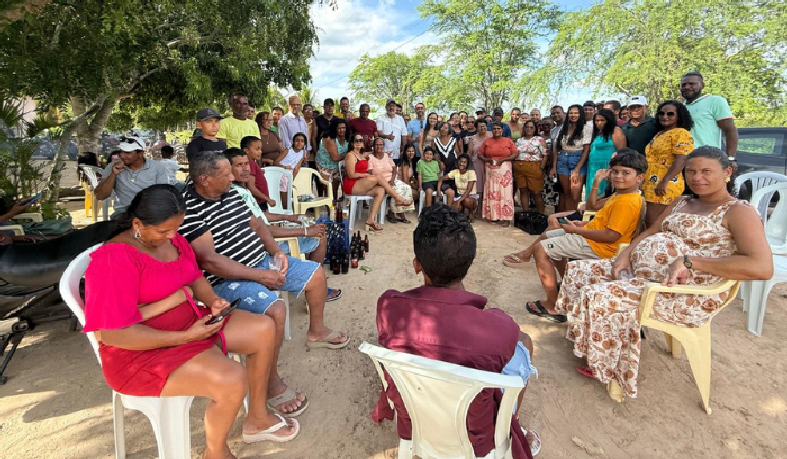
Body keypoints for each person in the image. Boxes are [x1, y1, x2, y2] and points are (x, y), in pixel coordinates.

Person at [83, 185, 298, 457]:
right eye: (163, 231)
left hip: (190, 325)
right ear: (137, 224)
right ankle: (215, 452)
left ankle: (257, 418)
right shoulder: (113, 259)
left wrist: (211, 301)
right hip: (141, 354)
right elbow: (114, 335)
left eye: (176, 228)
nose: (173, 236)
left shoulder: (173, 240)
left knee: (263, 328)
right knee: (232, 378)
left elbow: (194, 276)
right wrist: (185, 337)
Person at [556, 147, 773, 400]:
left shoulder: (738, 211)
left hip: (684, 292)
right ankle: (593, 344)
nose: (696, 177)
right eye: (690, 171)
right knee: (578, 270)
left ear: (727, 172)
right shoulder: (683, 201)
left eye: (706, 171)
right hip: (646, 275)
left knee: (599, 294)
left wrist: (691, 261)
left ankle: (610, 368)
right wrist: (625, 254)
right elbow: (653, 230)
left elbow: (761, 267)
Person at [180, 152, 348, 416]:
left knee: (315, 274)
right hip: (226, 280)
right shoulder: (190, 208)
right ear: (204, 179)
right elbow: (210, 262)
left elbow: (258, 225)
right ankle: (271, 383)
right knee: (276, 309)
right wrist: (260, 276)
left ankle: (316, 331)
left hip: (260, 259)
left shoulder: (231, 193)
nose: (233, 177)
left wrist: (276, 253)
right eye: (226, 174)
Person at [372, 205, 541, 459]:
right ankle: (510, 418)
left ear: (418, 265)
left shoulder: (388, 305)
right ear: (470, 263)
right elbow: (507, 344)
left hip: (415, 416)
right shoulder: (498, 327)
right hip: (477, 432)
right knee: (524, 342)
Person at [515, 150, 647, 322]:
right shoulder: (620, 194)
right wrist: (584, 225)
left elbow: (611, 235)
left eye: (625, 173)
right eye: (615, 172)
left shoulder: (627, 201)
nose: (618, 176)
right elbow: (601, 217)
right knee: (549, 236)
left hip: (601, 246)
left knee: (541, 249)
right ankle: (567, 285)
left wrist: (577, 231)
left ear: (640, 177)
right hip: (593, 238)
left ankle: (552, 305)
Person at [225, 148, 333, 270]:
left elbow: (260, 215)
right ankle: (315, 279)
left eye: (246, 164)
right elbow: (264, 231)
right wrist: (305, 231)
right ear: (227, 169)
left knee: (311, 234)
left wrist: (288, 217)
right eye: (239, 165)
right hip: (264, 247)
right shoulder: (236, 195)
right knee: (319, 236)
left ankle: (308, 273)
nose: (245, 169)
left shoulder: (241, 190)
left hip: (267, 239)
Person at [342, 136, 413, 232]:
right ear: (352, 143)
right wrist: (366, 175)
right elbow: (351, 174)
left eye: (361, 140)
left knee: (381, 190)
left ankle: (370, 219)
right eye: (356, 141)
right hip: (352, 185)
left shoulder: (363, 154)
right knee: (378, 177)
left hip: (362, 184)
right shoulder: (350, 155)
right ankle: (398, 198)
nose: (359, 142)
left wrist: (385, 153)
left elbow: (374, 153)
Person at [642, 100, 695, 227]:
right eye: (661, 113)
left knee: (655, 223)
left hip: (665, 183)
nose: (665, 117)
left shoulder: (681, 133)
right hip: (652, 181)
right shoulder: (660, 133)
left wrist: (665, 181)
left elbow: (681, 159)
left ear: (679, 116)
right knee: (649, 221)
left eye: (670, 114)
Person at [96, 136, 170, 217]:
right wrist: (113, 174)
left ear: (140, 154)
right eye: (121, 152)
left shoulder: (157, 167)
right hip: (123, 212)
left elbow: (163, 195)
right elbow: (100, 196)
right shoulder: (112, 166)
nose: (122, 156)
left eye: (127, 153)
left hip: (149, 211)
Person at [681, 72, 738, 165]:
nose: (687, 87)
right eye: (683, 85)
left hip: (707, 159)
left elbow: (730, 130)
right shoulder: (680, 107)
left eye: (692, 84)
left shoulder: (715, 101)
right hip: (683, 161)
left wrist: (731, 158)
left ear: (702, 85)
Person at [551, 104, 591, 212]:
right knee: (566, 192)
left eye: (576, 113)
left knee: (575, 194)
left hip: (578, 159)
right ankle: (567, 218)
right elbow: (557, 149)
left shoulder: (586, 128)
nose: (573, 115)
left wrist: (577, 169)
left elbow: (586, 150)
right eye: (571, 113)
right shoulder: (563, 129)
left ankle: (575, 218)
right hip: (562, 159)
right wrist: (554, 167)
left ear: (580, 114)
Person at [478, 122, 518, 227]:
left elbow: (515, 153)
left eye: (498, 128)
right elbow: (480, 154)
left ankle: (506, 218)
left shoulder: (508, 141)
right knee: (492, 192)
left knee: (505, 193)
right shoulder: (487, 141)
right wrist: (487, 159)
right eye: (494, 129)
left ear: (502, 130)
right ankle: (493, 216)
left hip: (504, 170)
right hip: (490, 171)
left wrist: (504, 159)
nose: (496, 130)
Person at [368, 137, 415, 223]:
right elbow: (370, 172)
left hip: (391, 180)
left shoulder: (386, 156)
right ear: (374, 146)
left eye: (381, 144)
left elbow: (394, 169)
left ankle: (398, 211)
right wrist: (381, 182)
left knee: (406, 187)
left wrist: (392, 180)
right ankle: (393, 212)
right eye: (377, 144)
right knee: (397, 189)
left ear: (384, 146)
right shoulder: (371, 157)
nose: (379, 146)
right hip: (379, 182)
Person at [586, 109, 627, 199]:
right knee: (593, 194)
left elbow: (621, 152)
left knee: (604, 195)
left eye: (602, 120)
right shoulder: (597, 133)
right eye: (597, 120)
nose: (599, 123)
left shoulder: (615, 131)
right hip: (593, 168)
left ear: (608, 120)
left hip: (607, 167)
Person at [513, 120, 548, 214]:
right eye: (527, 127)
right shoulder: (520, 140)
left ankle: (541, 214)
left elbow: (545, 155)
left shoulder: (539, 140)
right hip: (519, 167)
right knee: (523, 190)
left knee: (536, 192)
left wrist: (541, 168)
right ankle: (526, 213)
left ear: (535, 129)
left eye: (531, 127)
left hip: (534, 166)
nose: (529, 129)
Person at [315, 118, 349, 202]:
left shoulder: (347, 138)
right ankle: (328, 209)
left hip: (337, 165)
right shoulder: (329, 139)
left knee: (334, 189)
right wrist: (349, 154)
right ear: (334, 128)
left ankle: (333, 208)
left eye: (344, 128)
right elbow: (335, 157)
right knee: (327, 189)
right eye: (339, 128)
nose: (342, 130)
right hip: (325, 165)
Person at [439, 154, 478, 221]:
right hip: (459, 195)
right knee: (454, 207)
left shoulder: (471, 172)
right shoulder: (456, 171)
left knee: (467, 201)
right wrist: (438, 189)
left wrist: (458, 201)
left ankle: (471, 212)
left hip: (470, 196)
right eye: (460, 161)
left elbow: (469, 190)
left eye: (464, 162)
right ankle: (461, 211)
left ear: (467, 164)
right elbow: (442, 178)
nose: (461, 164)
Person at [240, 136, 275, 209]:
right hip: (258, 202)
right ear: (246, 150)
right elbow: (252, 187)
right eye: (257, 149)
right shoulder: (250, 164)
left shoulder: (253, 163)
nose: (260, 151)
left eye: (260, 149)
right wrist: (268, 199)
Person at [274, 132, 308, 205]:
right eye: (297, 140)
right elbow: (276, 162)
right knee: (285, 182)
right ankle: (285, 207)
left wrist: (292, 180)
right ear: (293, 142)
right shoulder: (288, 150)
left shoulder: (303, 153)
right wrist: (284, 167)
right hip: (281, 171)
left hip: (290, 174)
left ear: (304, 144)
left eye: (302, 141)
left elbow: (297, 167)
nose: (299, 143)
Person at [465, 119, 490, 217]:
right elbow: (470, 152)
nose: (482, 128)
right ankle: (478, 209)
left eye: (484, 126)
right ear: (476, 128)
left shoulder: (492, 136)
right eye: (480, 126)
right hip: (477, 164)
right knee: (479, 187)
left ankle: (488, 209)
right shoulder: (472, 139)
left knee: (489, 186)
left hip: (490, 164)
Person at [433, 122, 461, 196]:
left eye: (446, 128)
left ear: (449, 130)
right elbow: (432, 155)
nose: (443, 130)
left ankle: (455, 202)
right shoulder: (435, 141)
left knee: (455, 185)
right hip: (442, 167)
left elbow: (457, 154)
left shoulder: (453, 140)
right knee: (444, 184)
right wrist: (439, 162)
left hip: (453, 165)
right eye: (442, 127)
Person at [376, 99, 407, 163]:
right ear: (386, 107)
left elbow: (404, 136)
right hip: (383, 152)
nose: (391, 108)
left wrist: (404, 150)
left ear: (395, 107)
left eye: (393, 106)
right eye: (389, 106)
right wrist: (387, 136)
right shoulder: (380, 118)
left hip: (396, 152)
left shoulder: (400, 119)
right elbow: (379, 133)